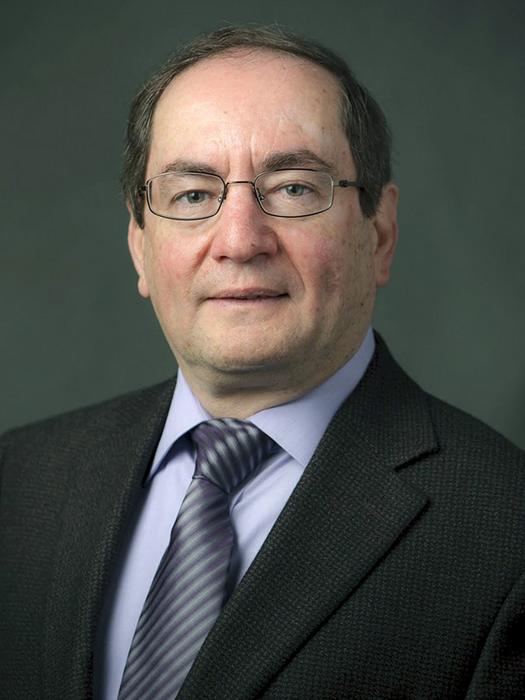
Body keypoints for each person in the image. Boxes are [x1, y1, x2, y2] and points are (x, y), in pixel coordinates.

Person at [1, 24, 524, 700]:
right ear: (139, 247)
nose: (240, 241)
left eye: (294, 189)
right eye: (193, 194)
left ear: (379, 234)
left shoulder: (505, 533)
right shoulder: (18, 484)